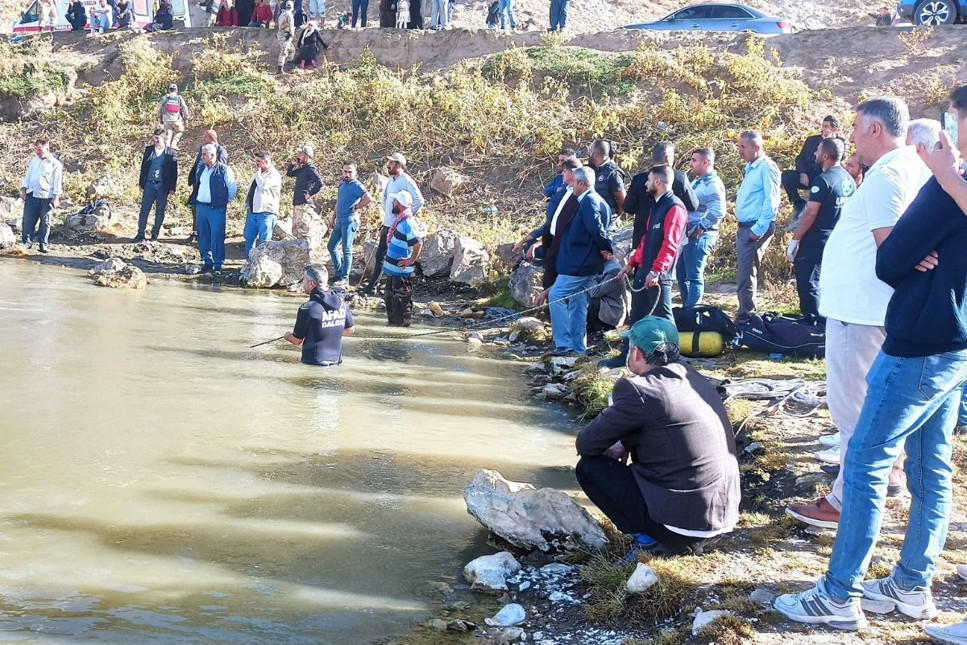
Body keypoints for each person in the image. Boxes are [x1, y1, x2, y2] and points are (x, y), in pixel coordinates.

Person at [776, 85, 967, 633]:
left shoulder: (937, 181)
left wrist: (948, 179)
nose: (949, 135)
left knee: (865, 458)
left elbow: (894, 259)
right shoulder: (942, 181)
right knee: (932, 466)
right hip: (950, 338)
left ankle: (840, 593)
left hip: (919, 339)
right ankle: (910, 584)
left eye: (955, 121)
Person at [785, 97, 927, 531]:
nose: (850, 137)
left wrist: (916, 257)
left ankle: (845, 501)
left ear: (875, 130)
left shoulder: (886, 174)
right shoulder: (912, 167)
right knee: (879, 406)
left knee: (854, 412)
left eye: (856, 126)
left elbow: (895, 244)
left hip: (861, 313)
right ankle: (889, 482)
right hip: (873, 309)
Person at [575, 316, 740, 559]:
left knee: (589, 468)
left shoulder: (638, 390)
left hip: (682, 531)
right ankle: (664, 534)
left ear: (638, 354)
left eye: (628, 347)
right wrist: (625, 440)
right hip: (722, 522)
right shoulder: (695, 379)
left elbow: (586, 444)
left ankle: (649, 542)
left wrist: (619, 441)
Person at [599, 165, 686, 368]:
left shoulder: (675, 207)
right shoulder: (655, 206)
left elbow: (670, 244)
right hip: (643, 271)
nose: (645, 184)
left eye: (648, 180)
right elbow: (646, 241)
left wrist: (656, 271)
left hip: (658, 276)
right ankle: (626, 357)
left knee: (664, 317)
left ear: (657, 182)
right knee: (636, 318)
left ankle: (675, 363)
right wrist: (631, 264)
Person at [785, 137, 854, 318]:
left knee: (808, 281)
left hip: (817, 238)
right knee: (829, 280)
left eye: (817, 151)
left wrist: (795, 239)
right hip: (839, 237)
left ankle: (813, 322)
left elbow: (810, 213)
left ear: (824, 156)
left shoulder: (823, 180)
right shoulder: (848, 179)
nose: (814, 153)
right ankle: (829, 318)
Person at [548, 167, 613, 356]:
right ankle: (578, 349)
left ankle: (564, 344)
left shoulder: (589, 201)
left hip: (579, 264)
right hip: (584, 263)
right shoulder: (596, 201)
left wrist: (606, 249)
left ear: (582, 184)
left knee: (556, 295)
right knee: (577, 304)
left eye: (574, 182)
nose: (571, 184)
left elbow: (597, 230)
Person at [625, 141, 699, 290]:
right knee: (643, 292)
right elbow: (694, 204)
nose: (647, 184)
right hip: (646, 237)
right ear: (667, 158)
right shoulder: (680, 177)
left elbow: (628, 207)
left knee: (657, 282)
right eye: (673, 156)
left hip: (666, 231)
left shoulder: (639, 178)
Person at [362, 152, 424, 295]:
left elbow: (419, 200)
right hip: (388, 223)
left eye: (391, 163)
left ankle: (383, 287)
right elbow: (385, 197)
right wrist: (388, 211)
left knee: (391, 255)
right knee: (381, 255)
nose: (388, 165)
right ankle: (376, 286)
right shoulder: (391, 180)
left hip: (398, 226)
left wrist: (405, 216)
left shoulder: (406, 180)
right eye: (389, 162)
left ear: (399, 165)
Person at [734, 131, 780, 322]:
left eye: (743, 146)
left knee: (746, 274)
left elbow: (772, 201)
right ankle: (745, 312)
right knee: (744, 273)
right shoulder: (751, 167)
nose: (739, 150)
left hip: (754, 227)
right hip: (746, 227)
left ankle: (747, 317)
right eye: (739, 146)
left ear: (757, 147)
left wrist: (758, 230)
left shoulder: (766, 168)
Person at [677, 147, 726, 308]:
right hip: (688, 234)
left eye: (694, 160)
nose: (690, 163)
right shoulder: (698, 181)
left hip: (699, 235)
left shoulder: (712, 184)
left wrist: (701, 227)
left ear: (706, 162)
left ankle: (691, 314)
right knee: (681, 274)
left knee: (694, 277)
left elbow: (719, 210)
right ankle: (687, 310)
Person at [284, 264, 355, 366]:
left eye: (304, 279)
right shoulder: (342, 303)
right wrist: (329, 329)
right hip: (337, 363)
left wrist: (287, 336)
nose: (303, 282)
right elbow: (350, 329)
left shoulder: (307, 308)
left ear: (311, 283)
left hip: (314, 364)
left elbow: (296, 340)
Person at [190, 143, 237, 274]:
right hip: (201, 207)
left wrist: (225, 201)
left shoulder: (224, 169)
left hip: (216, 208)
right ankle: (207, 261)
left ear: (212, 155)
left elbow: (232, 188)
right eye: (202, 154)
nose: (202, 157)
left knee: (217, 235)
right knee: (203, 235)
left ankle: (218, 264)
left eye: (204, 155)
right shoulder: (201, 168)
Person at [781, 116, 840, 214]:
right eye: (822, 126)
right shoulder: (811, 140)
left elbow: (840, 157)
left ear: (834, 129)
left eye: (826, 126)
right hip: (808, 175)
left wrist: (829, 141)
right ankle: (798, 203)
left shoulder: (839, 143)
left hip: (823, 177)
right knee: (786, 176)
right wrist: (802, 173)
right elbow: (800, 158)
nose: (823, 129)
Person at [328, 161, 372, 287]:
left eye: (350, 172)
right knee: (331, 246)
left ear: (355, 173)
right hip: (339, 220)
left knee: (347, 249)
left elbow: (368, 198)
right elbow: (338, 202)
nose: (347, 174)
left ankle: (345, 278)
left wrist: (357, 207)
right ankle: (339, 272)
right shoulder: (342, 185)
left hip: (350, 220)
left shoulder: (357, 185)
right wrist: (333, 217)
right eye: (345, 171)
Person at [382, 191, 423, 326]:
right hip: (393, 273)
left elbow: (418, 243)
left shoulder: (408, 223)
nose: (392, 204)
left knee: (402, 306)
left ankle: (401, 335)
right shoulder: (401, 220)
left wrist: (411, 260)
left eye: (394, 202)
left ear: (399, 204)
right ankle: (392, 331)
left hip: (402, 274)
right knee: (390, 302)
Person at [20, 137, 63, 254]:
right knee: (28, 220)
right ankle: (27, 242)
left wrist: (56, 197)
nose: (38, 152)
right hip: (32, 194)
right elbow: (28, 176)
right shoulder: (34, 160)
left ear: (47, 149)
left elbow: (57, 182)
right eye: (36, 150)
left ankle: (43, 244)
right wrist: (24, 190)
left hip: (47, 196)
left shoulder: (56, 164)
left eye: (40, 150)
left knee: (45, 221)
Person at [136, 129, 179, 243]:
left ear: (164, 138)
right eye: (154, 137)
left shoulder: (171, 153)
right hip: (149, 184)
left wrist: (172, 188)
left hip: (162, 186)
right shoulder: (149, 150)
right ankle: (140, 233)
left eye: (157, 138)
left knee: (160, 211)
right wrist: (141, 183)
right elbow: (143, 167)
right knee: (144, 209)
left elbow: (174, 172)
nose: (155, 140)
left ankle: (155, 234)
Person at [187, 130, 229, 244]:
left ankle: (211, 236)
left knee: (210, 212)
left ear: (213, 139)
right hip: (199, 184)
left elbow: (221, 169)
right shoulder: (203, 148)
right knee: (196, 208)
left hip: (213, 189)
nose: (203, 139)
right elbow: (197, 164)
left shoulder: (221, 151)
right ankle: (196, 233)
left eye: (205, 138)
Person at [243, 151, 282, 259]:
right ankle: (249, 263)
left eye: (258, 161)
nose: (256, 164)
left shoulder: (273, 174)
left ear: (266, 161)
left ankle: (264, 264)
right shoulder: (260, 173)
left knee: (265, 241)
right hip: (253, 211)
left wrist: (258, 174)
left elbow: (263, 186)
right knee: (249, 238)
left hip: (266, 213)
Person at [286, 145, 324, 240]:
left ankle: (305, 252)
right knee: (296, 230)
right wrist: (293, 164)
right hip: (297, 202)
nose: (298, 156)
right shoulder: (302, 169)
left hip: (303, 204)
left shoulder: (311, 168)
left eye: (301, 154)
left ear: (306, 156)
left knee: (303, 231)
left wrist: (310, 194)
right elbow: (289, 173)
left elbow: (319, 183)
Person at [588, 139, 626, 225]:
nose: (589, 155)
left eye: (591, 152)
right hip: (595, 218)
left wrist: (615, 217)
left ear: (596, 154)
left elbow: (622, 199)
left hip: (608, 222)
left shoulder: (613, 173)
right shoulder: (595, 170)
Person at [586, 256, 626, 335]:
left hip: (612, 310)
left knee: (593, 300)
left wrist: (588, 274)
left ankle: (600, 329)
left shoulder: (614, 270)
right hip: (604, 302)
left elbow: (595, 292)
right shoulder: (602, 264)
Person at [158, 84, 189, 151]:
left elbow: (159, 109)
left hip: (167, 121)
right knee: (180, 131)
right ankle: (174, 144)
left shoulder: (165, 98)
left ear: (169, 90)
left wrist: (160, 118)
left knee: (168, 135)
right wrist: (186, 119)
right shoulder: (179, 98)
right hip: (176, 121)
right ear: (176, 90)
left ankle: (167, 149)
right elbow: (185, 108)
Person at [277, 1, 296, 74]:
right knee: (284, 51)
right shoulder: (289, 15)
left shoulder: (282, 14)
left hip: (282, 33)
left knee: (292, 50)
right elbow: (291, 26)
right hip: (285, 34)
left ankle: (289, 64)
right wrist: (291, 34)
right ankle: (280, 68)